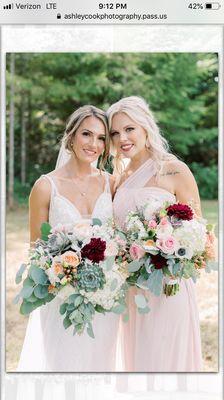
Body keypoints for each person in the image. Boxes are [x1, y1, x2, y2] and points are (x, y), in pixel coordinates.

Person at [17, 105, 119, 372]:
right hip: (61, 299)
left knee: (100, 368)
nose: (93, 144)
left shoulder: (112, 183)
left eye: (101, 138)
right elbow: (36, 250)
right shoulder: (44, 186)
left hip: (104, 297)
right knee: (62, 368)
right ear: (71, 136)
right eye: (87, 134)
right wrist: (64, 276)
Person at [107, 96, 203, 372]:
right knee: (139, 362)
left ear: (145, 127)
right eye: (115, 133)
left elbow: (198, 230)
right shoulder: (119, 178)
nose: (122, 138)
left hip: (168, 285)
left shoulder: (173, 169)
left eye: (129, 129)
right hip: (132, 286)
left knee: (165, 359)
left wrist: (168, 250)